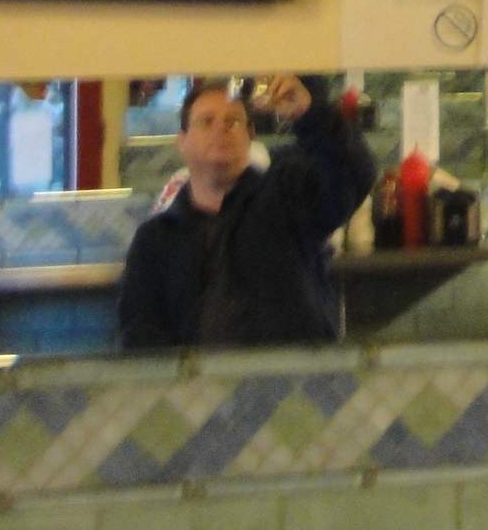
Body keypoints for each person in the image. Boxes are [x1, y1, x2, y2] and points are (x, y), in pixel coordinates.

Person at [117, 75, 377, 350]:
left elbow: (355, 174)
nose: (221, 129)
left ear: (250, 135)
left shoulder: (289, 199)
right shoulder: (155, 241)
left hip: (294, 374)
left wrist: (309, 114)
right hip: (198, 377)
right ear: (182, 141)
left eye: (233, 121)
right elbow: (141, 337)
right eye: (206, 122)